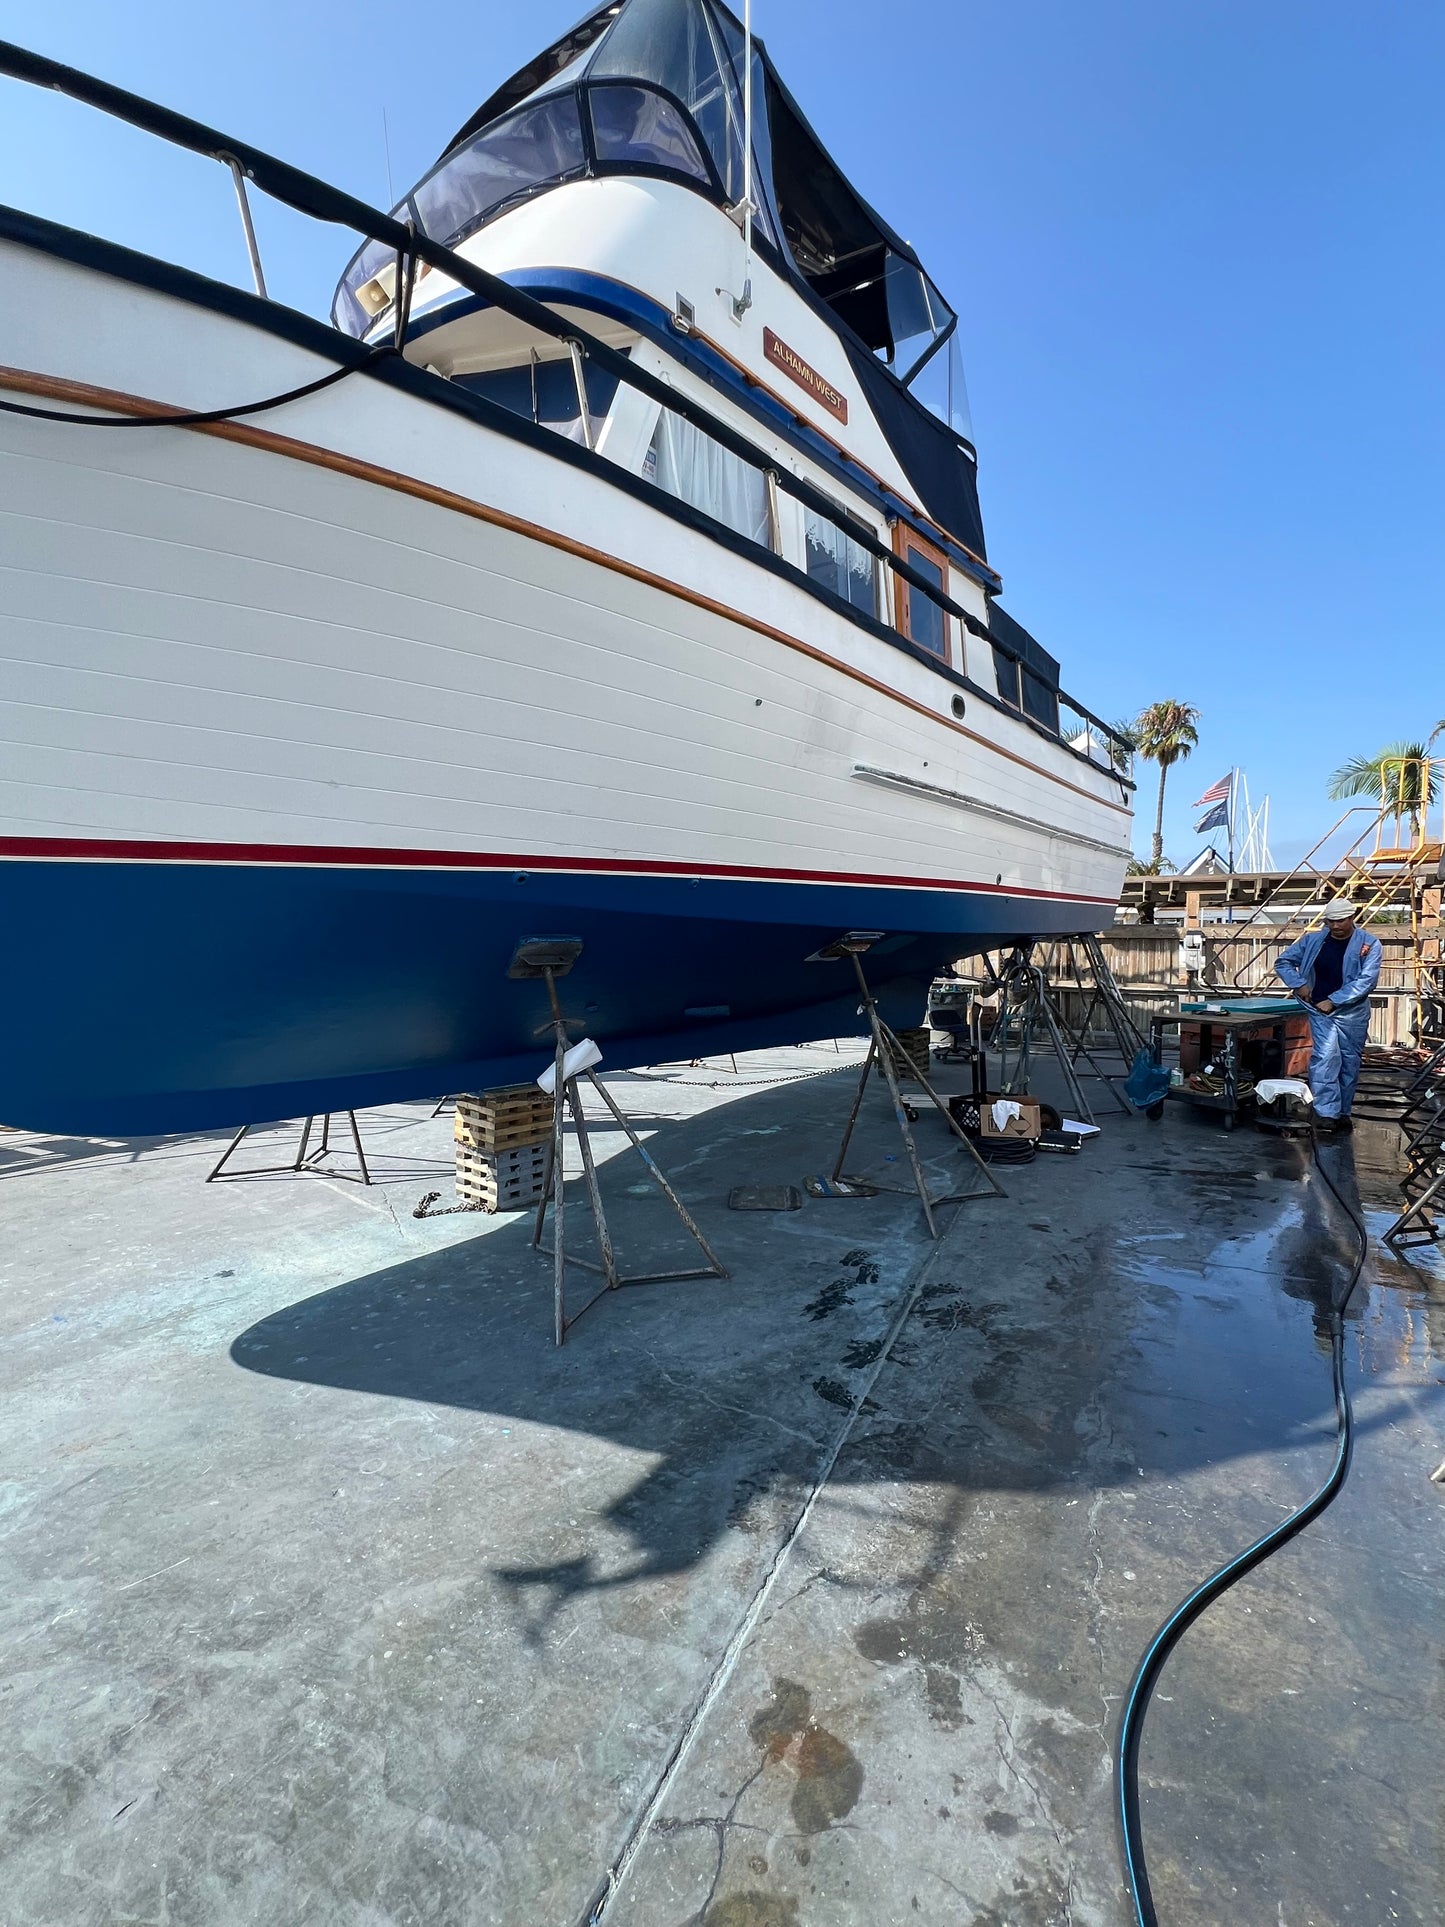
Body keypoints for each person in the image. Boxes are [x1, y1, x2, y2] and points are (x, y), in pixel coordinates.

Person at [1274, 899, 1382, 1134]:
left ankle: (1343, 1111)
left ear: (1352, 918)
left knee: (1349, 1061)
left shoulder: (1369, 944)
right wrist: (1299, 983)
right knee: (1324, 1058)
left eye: (1340, 921)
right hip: (1319, 1010)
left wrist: (1334, 1001)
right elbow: (1283, 962)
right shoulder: (1314, 940)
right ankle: (1326, 1113)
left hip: (1352, 1013)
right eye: (1330, 921)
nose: (1335, 926)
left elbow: (1366, 981)